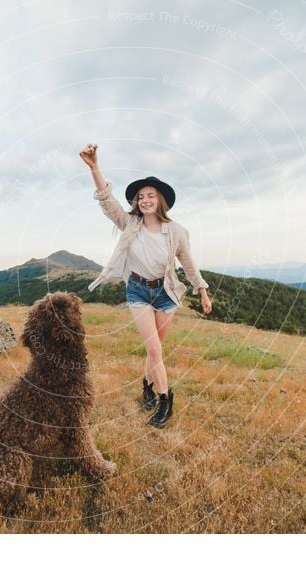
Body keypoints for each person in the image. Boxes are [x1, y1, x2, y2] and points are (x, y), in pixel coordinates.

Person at [79, 142, 212, 428]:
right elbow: (106, 201)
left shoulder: (176, 231)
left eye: (151, 196)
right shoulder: (129, 223)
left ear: (160, 200)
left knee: (157, 349)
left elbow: (188, 263)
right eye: (141, 196)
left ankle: (147, 386)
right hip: (138, 291)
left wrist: (202, 291)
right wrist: (95, 168)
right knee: (153, 350)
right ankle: (165, 401)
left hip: (165, 294)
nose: (145, 200)